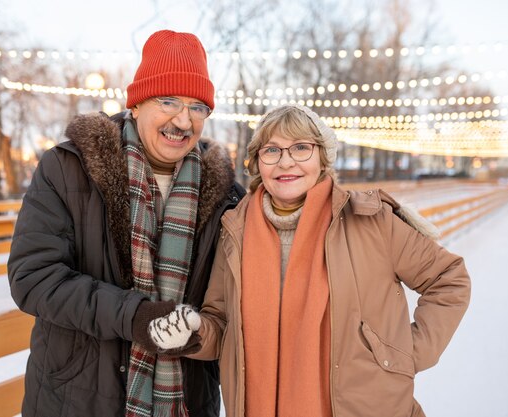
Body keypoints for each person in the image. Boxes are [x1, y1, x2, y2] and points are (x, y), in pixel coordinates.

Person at [158, 104, 471, 417]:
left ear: (323, 157)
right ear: (257, 163)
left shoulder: (370, 221)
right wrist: (195, 329)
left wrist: (404, 355)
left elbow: (449, 279)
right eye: (272, 150)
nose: (286, 161)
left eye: (301, 148)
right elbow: (223, 326)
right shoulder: (235, 232)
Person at [7, 30, 245, 417]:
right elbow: (33, 277)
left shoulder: (227, 195)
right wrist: (134, 316)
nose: (182, 120)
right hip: (79, 398)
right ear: (136, 105)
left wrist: (197, 331)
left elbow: (234, 301)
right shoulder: (69, 169)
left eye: (198, 107)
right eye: (168, 101)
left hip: (185, 398)